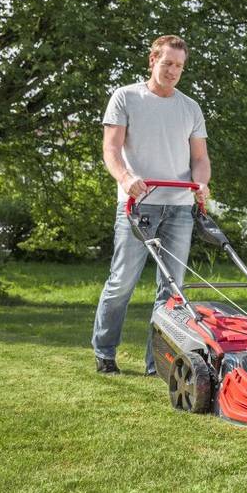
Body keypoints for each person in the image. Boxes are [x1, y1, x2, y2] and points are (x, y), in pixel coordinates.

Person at [92, 35, 211, 375]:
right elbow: (111, 149)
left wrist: (202, 183)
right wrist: (125, 177)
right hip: (137, 205)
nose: (173, 71)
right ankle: (104, 352)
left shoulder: (190, 107)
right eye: (168, 63)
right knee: (121, 283)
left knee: (172, 291)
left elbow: (200, 158)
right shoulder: (126, 97)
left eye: (179, 66)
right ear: (153, 60)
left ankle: (156, 363)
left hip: (179, 208)